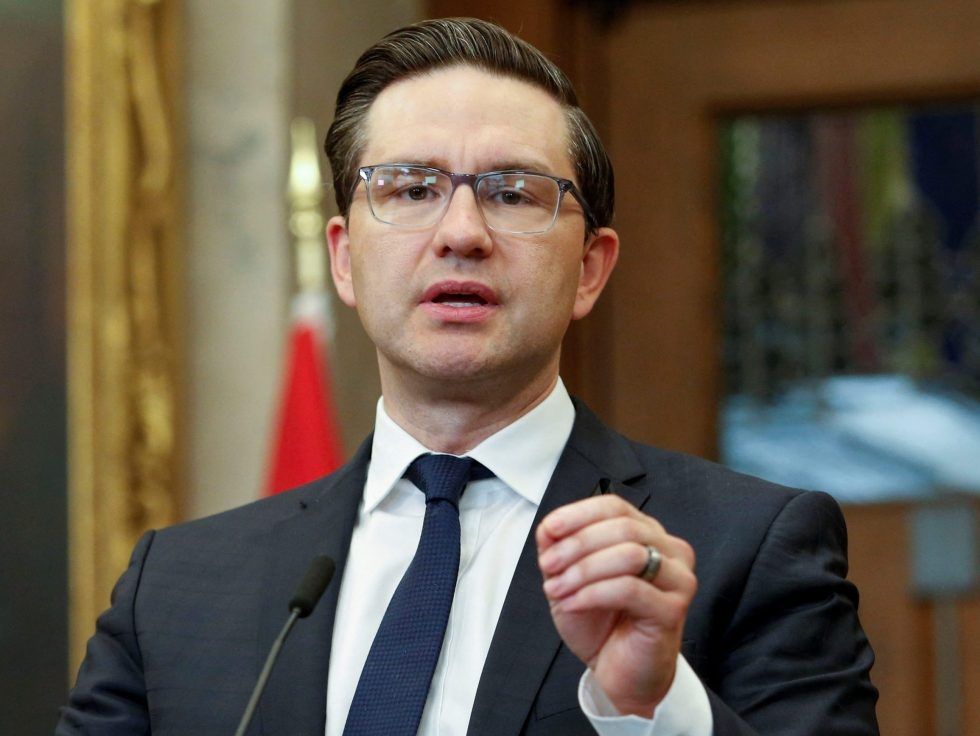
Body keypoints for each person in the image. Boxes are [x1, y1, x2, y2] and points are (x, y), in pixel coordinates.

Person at [58, 17, 878, 736]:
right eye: (411, 188)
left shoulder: (745, 550)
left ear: (591, 269)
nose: (461, 232)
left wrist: (654, 706)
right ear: (344, 259)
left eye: (513, 193)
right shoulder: (176, 588)